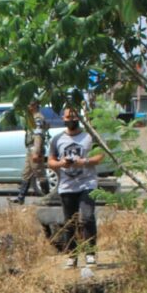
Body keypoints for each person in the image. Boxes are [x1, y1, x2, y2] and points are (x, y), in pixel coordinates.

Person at [47, 107, 103, 268]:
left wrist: (83, 162)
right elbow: (50, 161)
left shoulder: (89, 137)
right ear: (63, 119)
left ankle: (91, 253)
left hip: (87, 183)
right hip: (66, 186)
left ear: (79, 117)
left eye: (74, 116)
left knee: (87, 217)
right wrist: (61, 163)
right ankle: (72, 255)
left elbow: (100, 156)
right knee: (69, 222)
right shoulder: (57, 139)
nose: (70, 119)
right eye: (67, 116)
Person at [10, 101, 50, 204]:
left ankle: (48, 198)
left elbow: (38, 135)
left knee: (39, 173)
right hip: (30, 149)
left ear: (34, 105)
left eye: (29, 104)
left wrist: (36, 151)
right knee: (26, 173)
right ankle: (20, 198)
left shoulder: (37, 118)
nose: (27, 107)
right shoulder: (32, 117)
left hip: (34, 149)